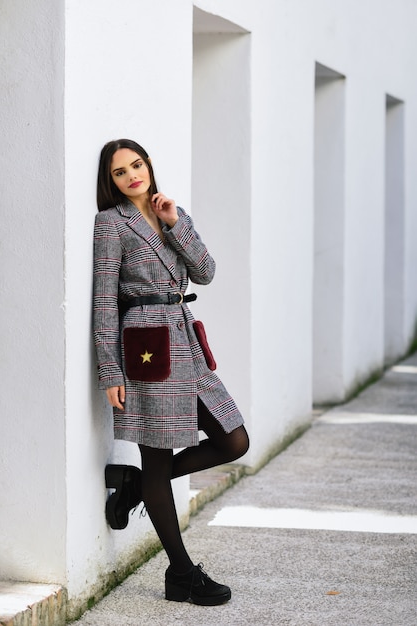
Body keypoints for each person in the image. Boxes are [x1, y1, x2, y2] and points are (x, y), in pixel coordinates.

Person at [93, 138, 249, 606]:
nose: (131, 176)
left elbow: (206, 272)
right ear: (112, 181)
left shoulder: (174, 214)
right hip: (145, 347)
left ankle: (137, 487)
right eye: (120, 172)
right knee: (157, 457)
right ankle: (181, 572)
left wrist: (175, 223)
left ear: (149, 166)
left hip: (186, 340)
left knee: (233, 440)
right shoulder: (110, 224)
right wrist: (109, 370)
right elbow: (103, 298)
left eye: (136, 165)